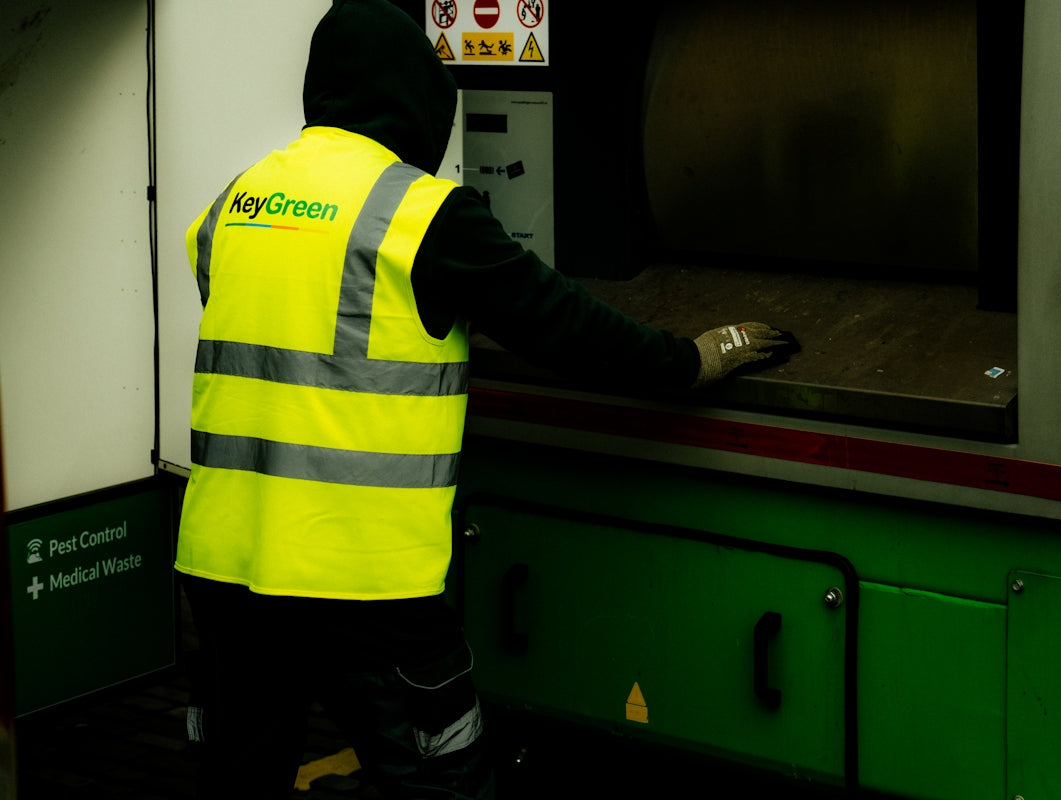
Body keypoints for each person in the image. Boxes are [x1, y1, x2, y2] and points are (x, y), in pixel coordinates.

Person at [174, 1, 791, 798]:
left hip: (223, 568)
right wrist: (691, 362)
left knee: (242, 777)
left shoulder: (235, 202)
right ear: (411, 94)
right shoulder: (420, 214)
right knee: (440, 778)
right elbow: (563, 325)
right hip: (365, 579)